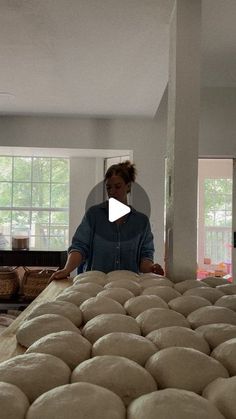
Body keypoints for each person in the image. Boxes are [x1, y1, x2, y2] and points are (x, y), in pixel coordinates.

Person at [51, 161, 164, 280]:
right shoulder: (94, 215)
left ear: (128, 186)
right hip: (94, 284)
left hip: (128, 286)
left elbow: (144, 258)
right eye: (108, 187)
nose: (112, 192)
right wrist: (67, 269)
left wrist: (152, 268)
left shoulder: (141, 222)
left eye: (118, 186)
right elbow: (79, 247)